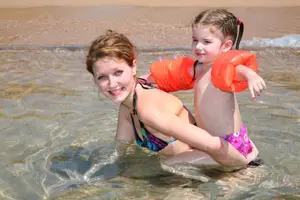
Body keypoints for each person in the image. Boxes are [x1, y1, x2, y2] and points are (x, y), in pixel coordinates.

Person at [85, 30, 258, 173]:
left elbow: (212, 144)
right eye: (102, 77)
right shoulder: (127, 106)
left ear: (133, 67)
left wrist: (245, 168)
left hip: (229, 163)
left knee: (167, 167)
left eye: (117, 73)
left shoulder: (149, 110)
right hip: (198, 166)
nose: (112, 84)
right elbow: (120, 150)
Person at [146, 9, 266, 167]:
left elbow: (239, 70)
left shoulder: (221, 69)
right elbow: (168, 76)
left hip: (228, 146)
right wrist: (143, 79)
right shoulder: (198, 68)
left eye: (206, 42)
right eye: (195, 40)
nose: (198, 46)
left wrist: (251, 76)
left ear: (226, 45)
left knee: (170, 164)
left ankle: (197, 185)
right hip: (215, 142)